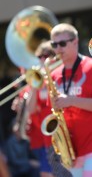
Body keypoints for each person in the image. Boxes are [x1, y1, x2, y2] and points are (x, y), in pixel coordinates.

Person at [50, 23, 92, 177]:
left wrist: (71, 100)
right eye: (54, 44)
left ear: (75, 42)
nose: (58, 48)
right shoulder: (53, 75)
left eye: (62, 43)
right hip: (72, 149)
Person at [25, 40, 71, 177]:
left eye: (45, 55)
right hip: (49, 138)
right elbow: (31, 109)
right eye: (39, 57)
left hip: (67, 132)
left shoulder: (63, 75)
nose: (42, 59)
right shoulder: (38, 82)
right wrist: (34, 86)